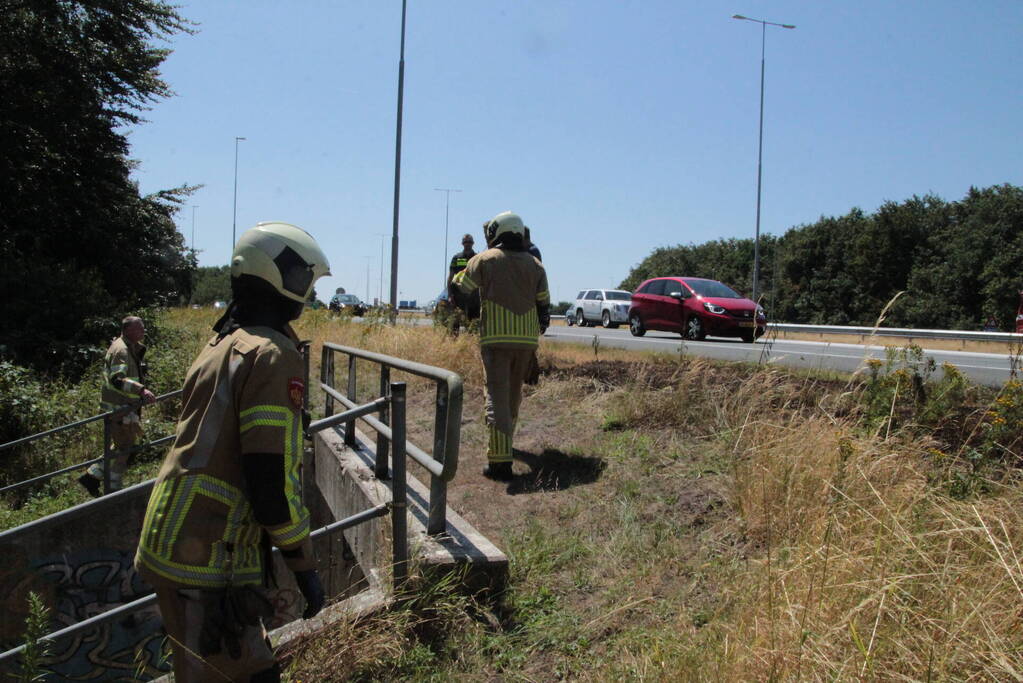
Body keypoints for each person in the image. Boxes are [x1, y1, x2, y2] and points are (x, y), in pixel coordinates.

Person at [135, 222, 331, 682]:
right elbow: (269, 480)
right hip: (205, 553)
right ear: (273, 277)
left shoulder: (221, 343)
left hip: (180, 539)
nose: (305, 292)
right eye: (301, 278)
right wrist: (304, 565)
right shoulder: (272, 353)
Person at [452, 211, 550, 481]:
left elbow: (462, 287)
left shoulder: (484, 259)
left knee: (496, 396)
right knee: (513, 395)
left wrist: (460, 279)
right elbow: (544, 303)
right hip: (526, 340)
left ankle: (499, 463)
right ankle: (506, 447)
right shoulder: (535, 264)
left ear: (495, 232)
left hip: (496, 339)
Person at [79, 316, 156, 497]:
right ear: (128, 330)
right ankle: (111, 485)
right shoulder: (121, 350)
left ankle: (95, 477)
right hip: (120, 408)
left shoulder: (126, 346)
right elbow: (117, 379)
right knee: (126, 446)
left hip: (124, 407)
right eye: (139, 328)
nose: (143, 331)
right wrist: (141, 390)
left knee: (124, 445)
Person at [446, 233, 480, 332]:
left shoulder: (477, 257)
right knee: (455, 320)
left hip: (473, 296)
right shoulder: (456, 258)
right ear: (462, 243)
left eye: (469, 242)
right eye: (465, 242)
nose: (467, 244)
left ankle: (471, 343)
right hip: (458, 295)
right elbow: (451, 277)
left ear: (473, 243)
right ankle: (453, 343)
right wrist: (450, 295)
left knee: (473, 322)